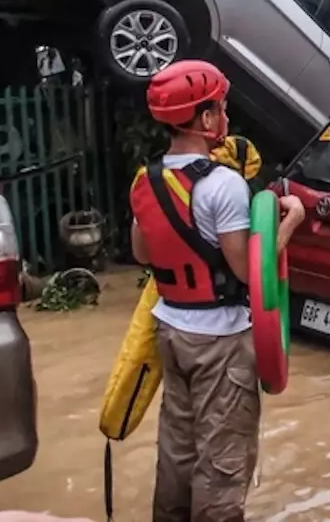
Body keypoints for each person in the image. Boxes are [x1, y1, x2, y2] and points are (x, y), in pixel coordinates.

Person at [129, 60, 304, 521]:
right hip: (220, 339)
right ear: (206, 119)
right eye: (221, 109)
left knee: (178, 449)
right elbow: (250, 272)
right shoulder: (223, 184)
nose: (225, 118)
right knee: (223, 461)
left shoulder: (146, 180)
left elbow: (143, 255)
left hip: (170, 329)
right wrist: (290, 225)